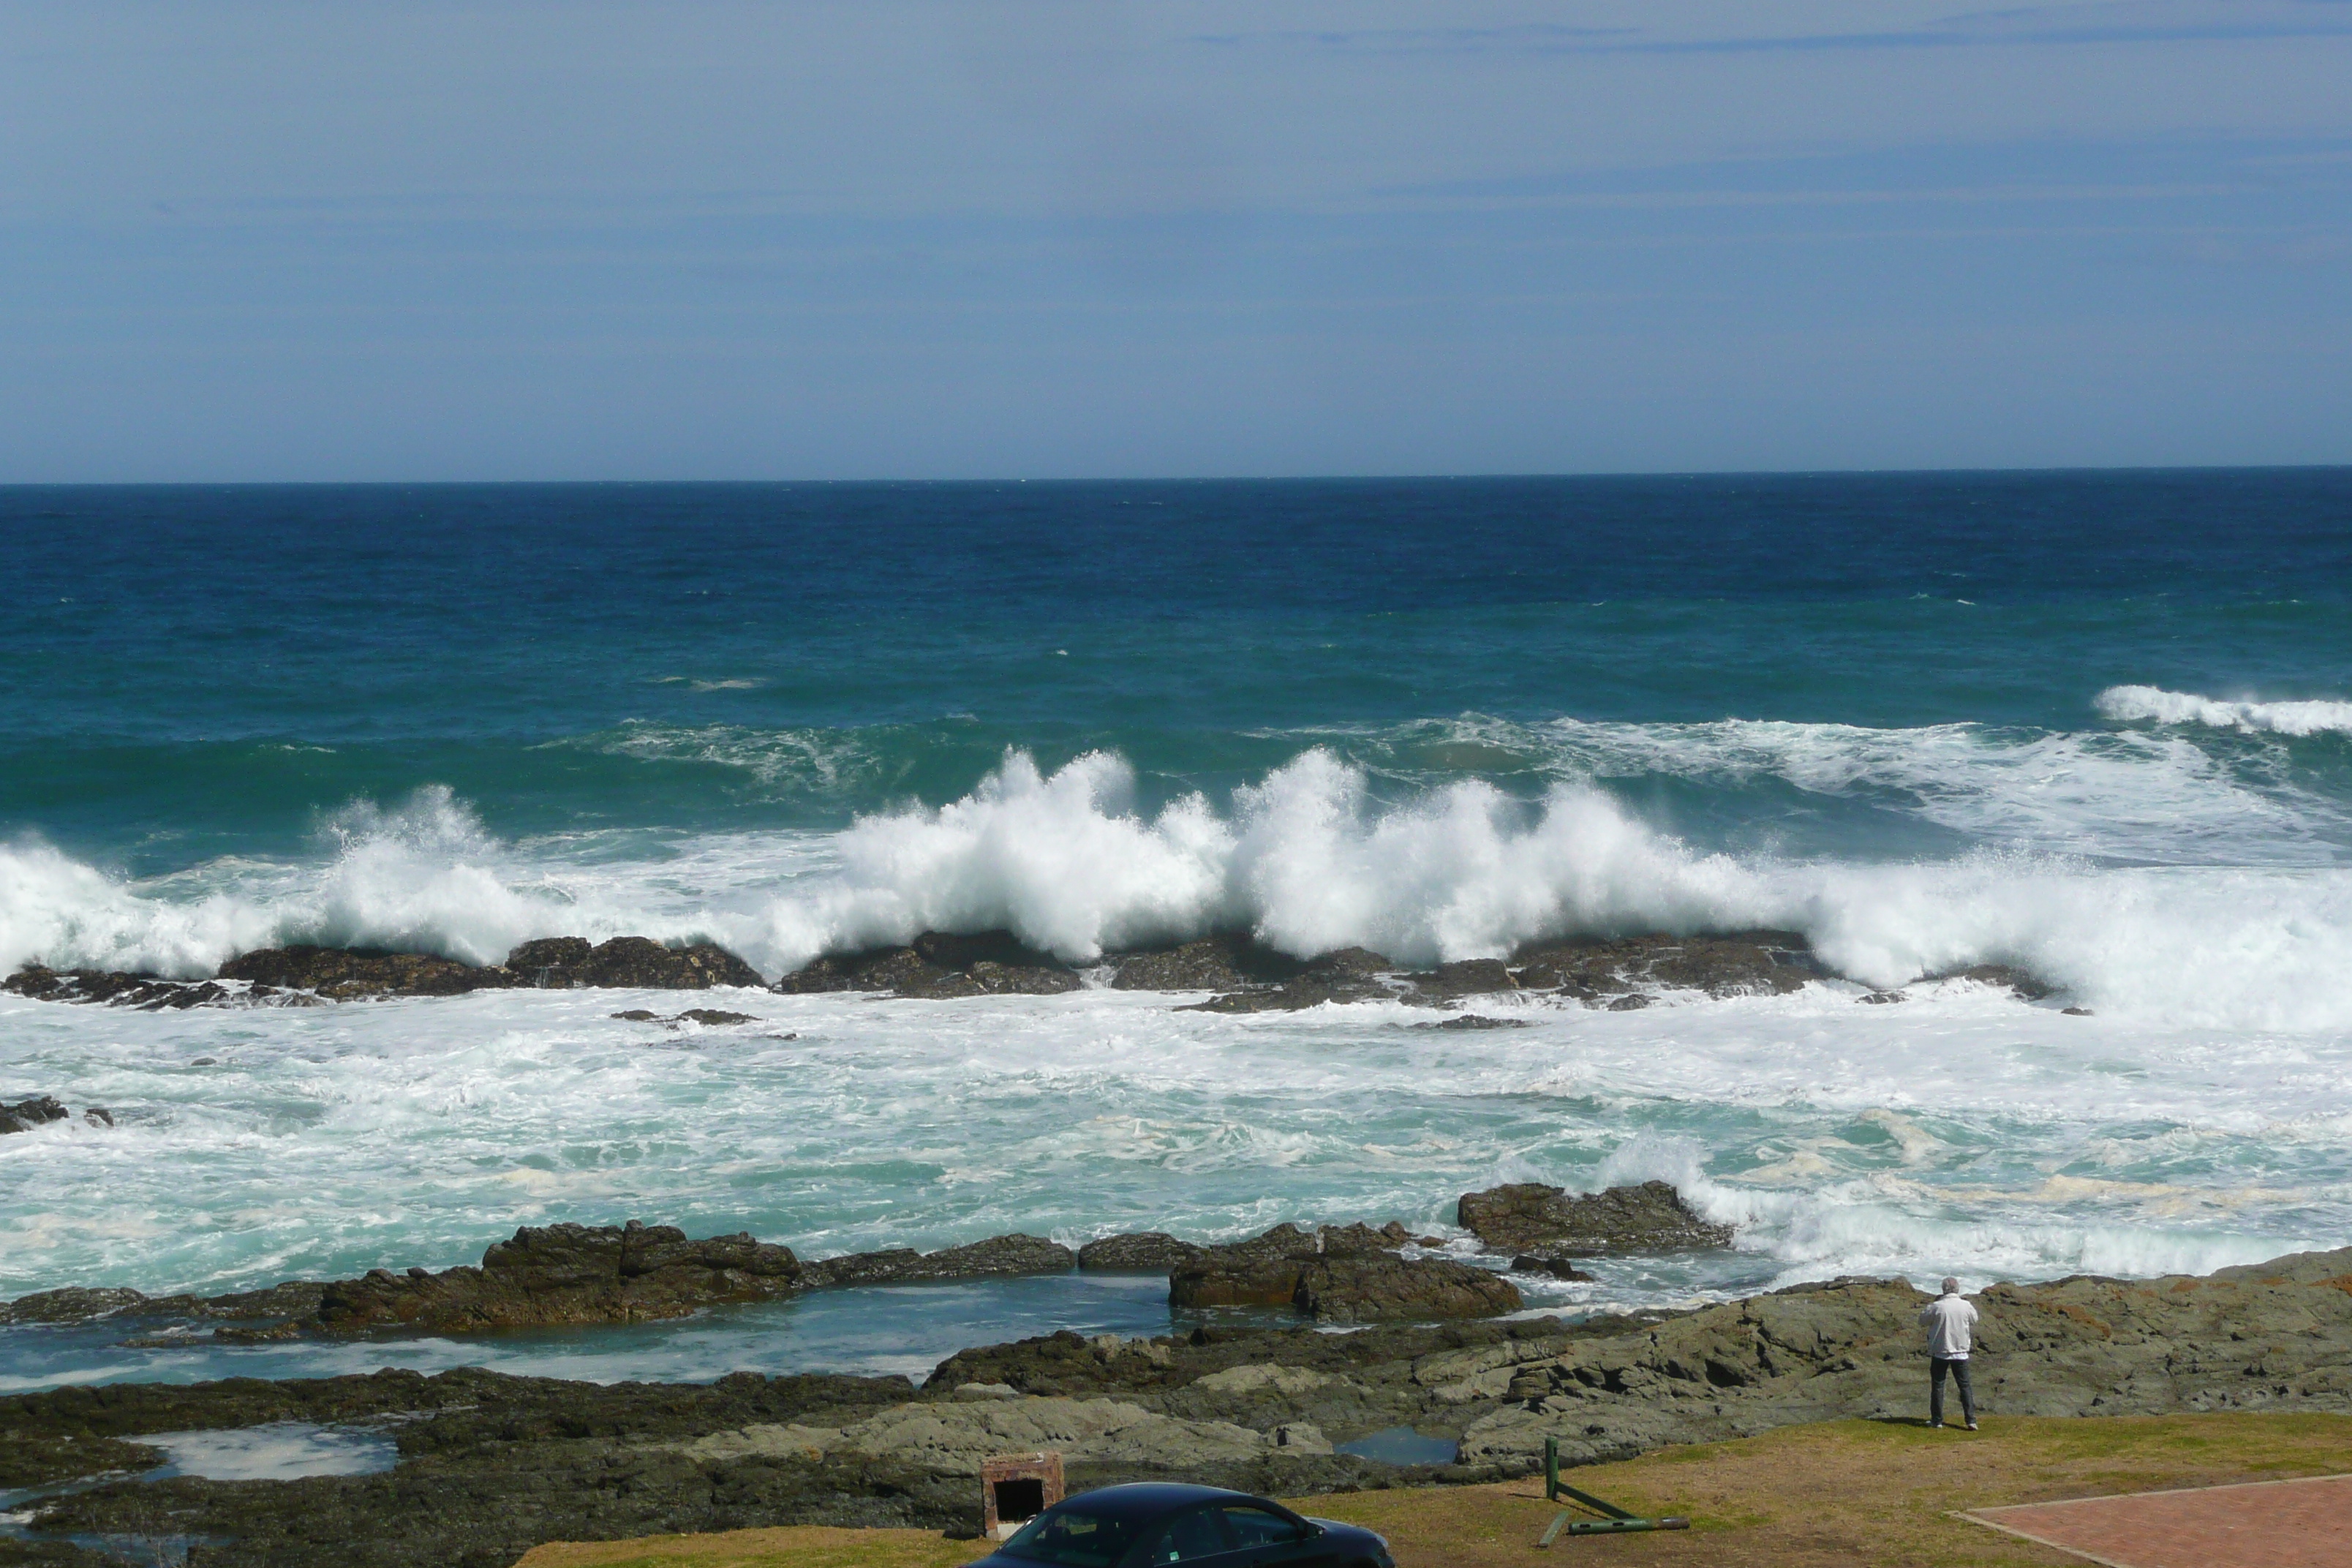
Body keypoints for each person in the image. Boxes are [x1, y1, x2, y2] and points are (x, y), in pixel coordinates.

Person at [1919, 1276, 1979, 1429]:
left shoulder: (1937, 1306)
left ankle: (1937, 1420)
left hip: (1941, 1351)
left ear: (1943, 1290)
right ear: (1957, 1289)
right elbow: (1975, 1320)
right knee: (1965, 1386)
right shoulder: (1966, 1305)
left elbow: (1922, 1320)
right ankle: (1971, 1420)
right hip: (1961, 1351)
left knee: (1938, 1386)